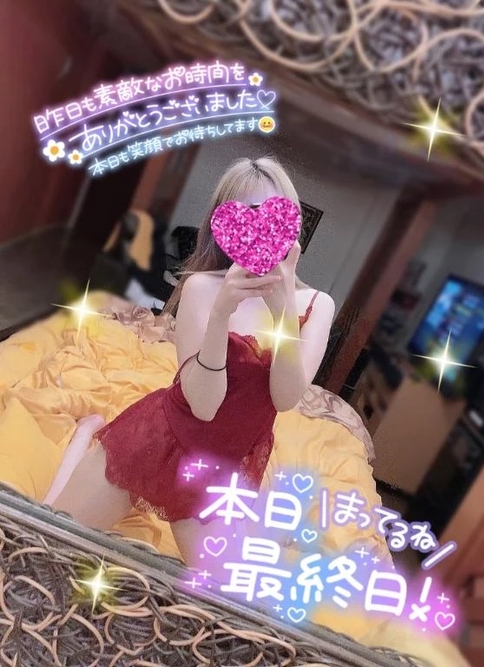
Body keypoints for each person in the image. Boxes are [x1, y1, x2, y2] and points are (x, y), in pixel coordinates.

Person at [44, 157, 336, 566]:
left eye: (270, 216)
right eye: (245, 216)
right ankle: (86, 434)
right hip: (158, 441)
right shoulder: (201, 287)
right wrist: (220, 314)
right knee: (49, 537)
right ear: (223, 228)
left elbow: (285, 398)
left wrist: (284, 312)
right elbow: (203, 405)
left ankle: (89, 433)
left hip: (220, 474)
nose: (258, 231)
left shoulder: (317, 305)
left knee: (226, 600)